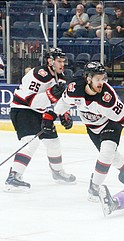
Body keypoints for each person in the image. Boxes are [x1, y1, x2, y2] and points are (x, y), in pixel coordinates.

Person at [41, 62, 124, 201]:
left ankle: (94, 186)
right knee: (112, 156)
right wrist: (51, 115)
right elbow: (64, 102)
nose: (101, 83)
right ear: (88, 79)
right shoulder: (74, 89)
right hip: (92, 128)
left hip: (111, 124)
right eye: (97, 79)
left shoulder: (108, 97)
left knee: (106, 152)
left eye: (103, 79)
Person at [5, 48, 76, 192]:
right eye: (59, 61)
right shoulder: (38, 74)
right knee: (31, 142)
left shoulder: (60, 77)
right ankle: (13, 177)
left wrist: (64, 113)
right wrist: (51, 94)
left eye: (63, 61)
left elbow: (59, 100)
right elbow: (32, 101)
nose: (62, 64)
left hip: (40, 112)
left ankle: (57, 173)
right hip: (23, 110)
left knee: (53, 143)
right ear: (50, 61)